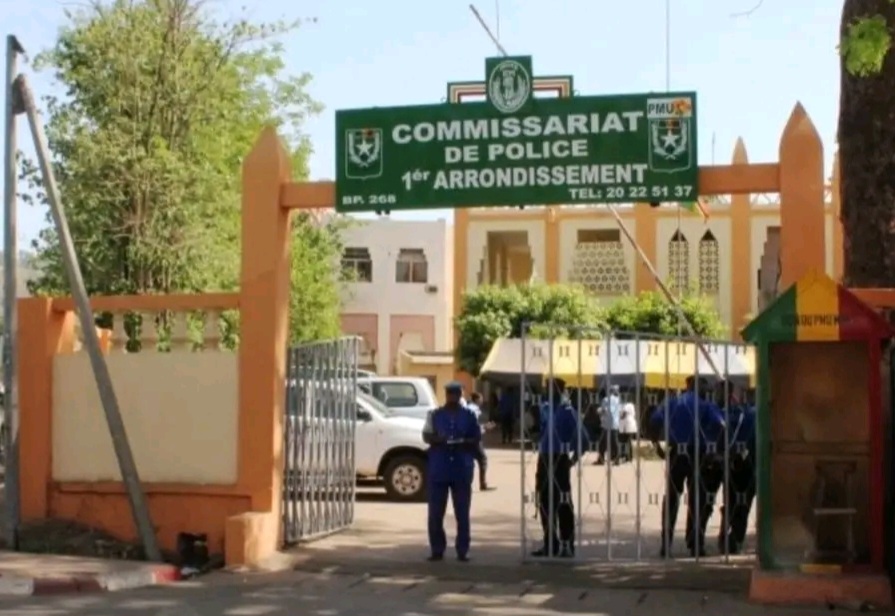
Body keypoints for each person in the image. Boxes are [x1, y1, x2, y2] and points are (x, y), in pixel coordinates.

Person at [650, 376, 725, 557]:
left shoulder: (673, 402)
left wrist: (656, 445)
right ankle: (695, 544)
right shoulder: (705, 405)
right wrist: (713, 448)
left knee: (672, 498)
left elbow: (654, 419)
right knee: (696, 499)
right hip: (697, 454)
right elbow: (721, 424)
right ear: (699, 387)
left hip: (676, 453)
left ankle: (666, 544)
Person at [423, 381, 482, 562]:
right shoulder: (435, 415)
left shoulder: (469, 415)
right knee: (435, 513)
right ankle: (437, 549)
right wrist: (438, 439)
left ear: (460, 395)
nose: (453, 397)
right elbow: (426, 435)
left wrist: (465, 441)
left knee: (462, 512)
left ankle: (463, 550)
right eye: (450, 394)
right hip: (439, 468)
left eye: (456, 394)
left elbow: (476, 437)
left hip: (461, 468)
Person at [533, 378, 589, 558]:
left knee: (564, 503)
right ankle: (550, 543)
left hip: (559, 459)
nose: (548, 391)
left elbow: (584, 439)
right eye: (547, 388)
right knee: (544, 502)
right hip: (544, 458)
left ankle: (567, 544)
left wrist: (573, 459)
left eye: (552, 388)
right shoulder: (544, 409)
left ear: (561, 389)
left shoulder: (568, 411)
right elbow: (536, 431)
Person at [718, 386, 756, 554]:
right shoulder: (759, 415)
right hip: (751, 465)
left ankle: (725, 534)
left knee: (731, 500)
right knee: (744, 504)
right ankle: (735, 538)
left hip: (733, 463)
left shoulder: (733, 413)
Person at [466, 392, 493, 491]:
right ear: (477, 399)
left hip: (467, 439)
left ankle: (466, 484)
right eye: (481, 398)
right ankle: (483, 484)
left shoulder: (467, 408)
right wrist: (485, 427)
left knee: (469, 462)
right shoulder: (475, 410)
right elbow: (474, 426)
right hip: (475, 439)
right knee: (483, 459)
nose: (482, 401)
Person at [596, 385, 621, 465]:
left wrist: (599, 411)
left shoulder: (606, 399)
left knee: (602, 443)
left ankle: (601, 460)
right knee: (615, 442)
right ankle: (617, 460)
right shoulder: (618, 400)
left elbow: (605, 410)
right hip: (615, 424)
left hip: (607, 424)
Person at [618, 395, 639, 463]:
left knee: (626, 441)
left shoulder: (628, 405)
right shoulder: (630, 405)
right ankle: (626, 456)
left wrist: (618, 417)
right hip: (628, 426)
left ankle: (627, 456)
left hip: (629, 426)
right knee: (626, 441)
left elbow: (623, 414)